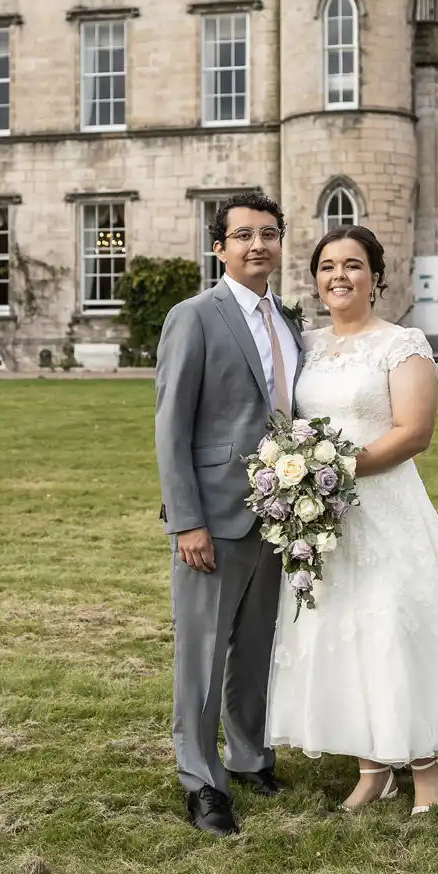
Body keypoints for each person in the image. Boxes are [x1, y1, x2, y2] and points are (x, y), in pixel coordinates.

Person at [266, 224, 438, 814]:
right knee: (340, 627)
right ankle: (372, 765)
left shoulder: (402, 344)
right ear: (316, 279)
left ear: (376, 278)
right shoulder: (306, 345)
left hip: (384, 506)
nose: (340, 276)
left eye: (353, 265)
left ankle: (428, 769)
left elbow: (415, 432)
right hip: (324, 515)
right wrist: (305, 476)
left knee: (392, 626)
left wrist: (340, 469)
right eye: (328, 266)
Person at [153, 192, 303, 836]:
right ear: (219, 247)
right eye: (243, 235)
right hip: (212, 515)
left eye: (269, 234)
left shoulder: (289, 320)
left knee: (258, 646)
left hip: (280, 512)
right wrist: (186, 520)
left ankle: (249, 757)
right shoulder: (194, 316)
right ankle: (201, 780)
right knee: (203, 654)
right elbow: (170, 425)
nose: (257, 245)